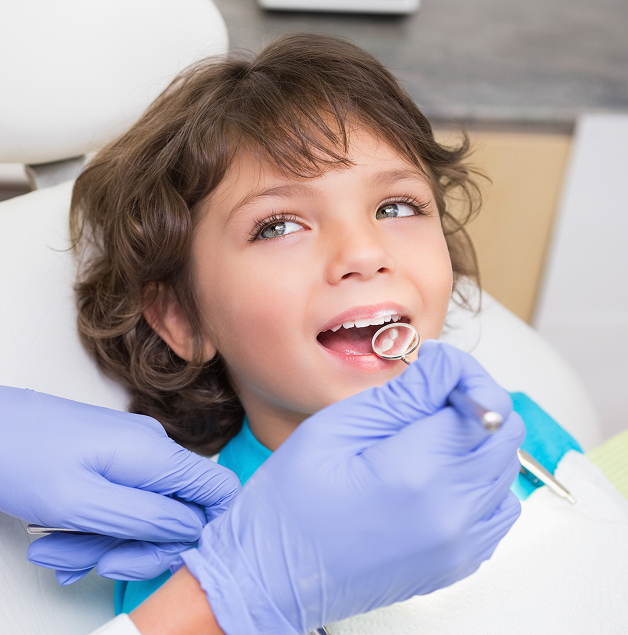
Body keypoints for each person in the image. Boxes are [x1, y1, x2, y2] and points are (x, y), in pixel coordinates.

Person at [18, 32, 576, 633]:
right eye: (279, 225)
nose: (365, 252)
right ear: (182, 318)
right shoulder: (198, 554)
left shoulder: (518, 430)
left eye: (396, 207)